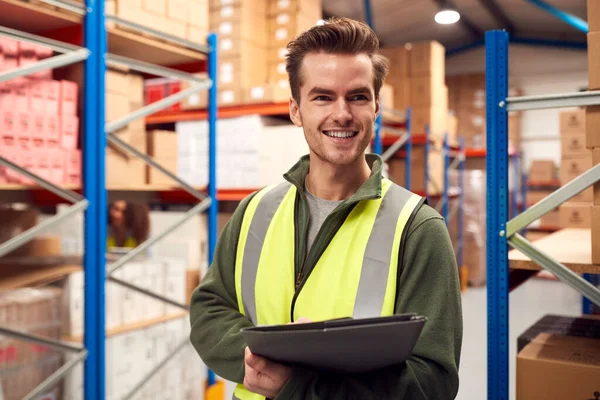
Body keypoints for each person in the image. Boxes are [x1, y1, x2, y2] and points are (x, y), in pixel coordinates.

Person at [190, 17, 462, 400]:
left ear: (376, 107)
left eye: (357, 96)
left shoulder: (417, 229)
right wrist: (256, 361)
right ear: (295, 109)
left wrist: (302, 387)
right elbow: (209, 308)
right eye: (322, 97)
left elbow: (432, 382)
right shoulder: (255, 210)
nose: (342, 114)